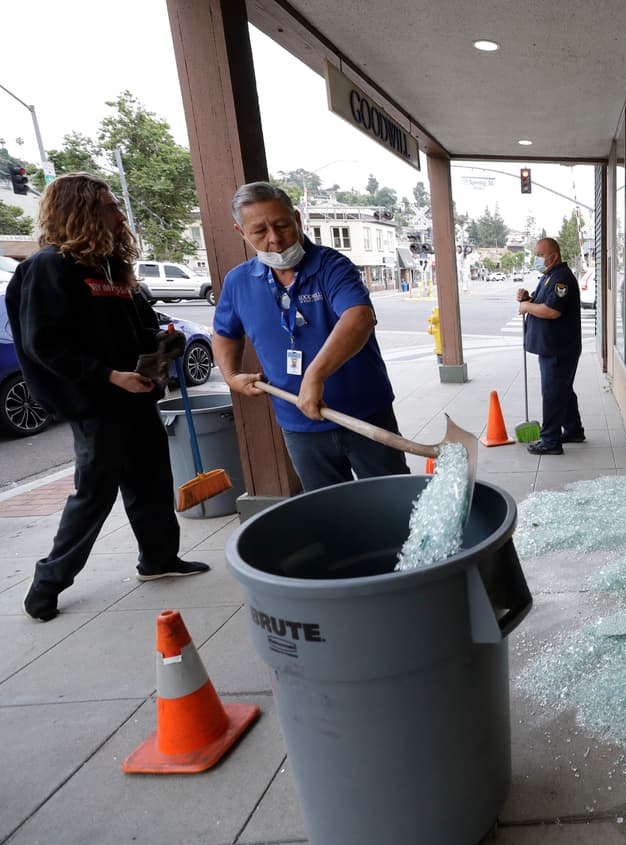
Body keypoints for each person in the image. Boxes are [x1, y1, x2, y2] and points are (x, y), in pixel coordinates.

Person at [4, 173, 209, 622]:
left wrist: (162, 343)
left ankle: (159, 560)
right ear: (79, 211)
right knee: (94, 495)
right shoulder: (49, 267)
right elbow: (45, 343)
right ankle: (47, 584)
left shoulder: (113, 269)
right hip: (97, 405)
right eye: (108, 205)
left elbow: (138, 329)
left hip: (136, 396)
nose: (119, 213)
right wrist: (110, 376)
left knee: (151, 482)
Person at [212, 182, 409, 490]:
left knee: (396, 502)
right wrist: (230, 375)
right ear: (241, 233)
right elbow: (224, 332)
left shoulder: (332, 267)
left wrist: (315, 375)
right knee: (328, 513)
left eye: (281, 225)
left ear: (297, 219)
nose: (275, 240)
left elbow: (359, 317)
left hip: (365, 415)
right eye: (259, 232)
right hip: (299, 423)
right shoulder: (238, 282)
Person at [516, 238, 584, 455]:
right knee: (562, 390)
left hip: (558, 349)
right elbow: (542, 302)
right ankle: (573, 430)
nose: (536, 259)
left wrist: (526, 306)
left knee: (553, 393)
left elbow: (552, 311)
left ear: (553, 256)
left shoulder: (561, 279)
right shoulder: (548, 276)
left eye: (539, 255)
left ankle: (550, 441)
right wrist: (528, 298)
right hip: (553, 347)